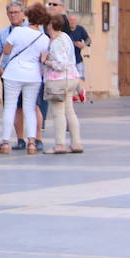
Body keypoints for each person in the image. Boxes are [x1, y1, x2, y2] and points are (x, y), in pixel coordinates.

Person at [0, 3, 49, 155]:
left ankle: (5, 143)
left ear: (28, 15)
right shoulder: (44, 38)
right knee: (30, 108)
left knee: (10, 108)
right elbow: (43, 57)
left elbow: (6, 50)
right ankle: (32, 143)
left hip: (13, 73)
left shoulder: (18, 32)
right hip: (33, 75)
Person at [0, 1, 30, 150]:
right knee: (13, 107)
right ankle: (20, 139)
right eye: (10, 13)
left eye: (16, 12)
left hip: (29, 74)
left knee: (33, 107)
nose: (13, 15)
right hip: (9, 75)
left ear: (23, 12)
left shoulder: (33, 29)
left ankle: (35, 139)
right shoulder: (3, 33)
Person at [43, 13, 84, 154]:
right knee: (69, 111)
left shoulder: (55, 43)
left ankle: (60, 145)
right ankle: (76, 143)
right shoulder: (66, 37)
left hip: (58, 80)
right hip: (72, 78)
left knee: (58, 113)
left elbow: (61, 64)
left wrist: (45, 61)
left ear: (51, 25)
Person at [67, 10, 92, 97]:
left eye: (74, 20)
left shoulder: (80, 29)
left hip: (77, 58)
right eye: (70, 20)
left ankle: (78, 92)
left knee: (77, 77)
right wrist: (73, 43)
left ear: (76, 21)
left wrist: (83, 44)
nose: (72, 22)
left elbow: (88, 40)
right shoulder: (65, 29)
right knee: (71, 77)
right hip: (67, 59)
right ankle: (77, 93)